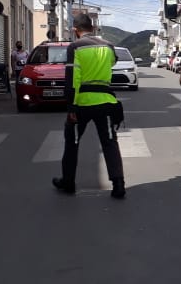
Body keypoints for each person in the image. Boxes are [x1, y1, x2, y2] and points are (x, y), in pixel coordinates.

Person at [52, 13, 126, 198]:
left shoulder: (75, 47)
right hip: (105, 101)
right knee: (109, 142)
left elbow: (73, 78)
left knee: (72, 142)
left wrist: (71, 106)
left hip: (82, 103)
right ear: (92, 28)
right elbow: (113, 62)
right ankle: (118, 184)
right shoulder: (108, 46)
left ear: (75, 30)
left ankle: (68, 182)